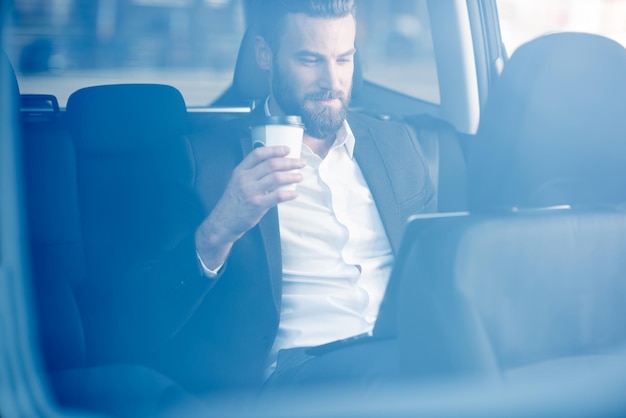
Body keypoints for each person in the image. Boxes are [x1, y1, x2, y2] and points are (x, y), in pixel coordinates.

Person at [149, 0, 435, 394]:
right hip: (295, 376)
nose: (331, 80)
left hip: (403, 354)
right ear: (265, 55)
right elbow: (141, 321)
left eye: (344, 59)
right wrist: (219, 230)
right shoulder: (204, 162)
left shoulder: (397, 143)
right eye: (310, 60)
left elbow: (435, 267)